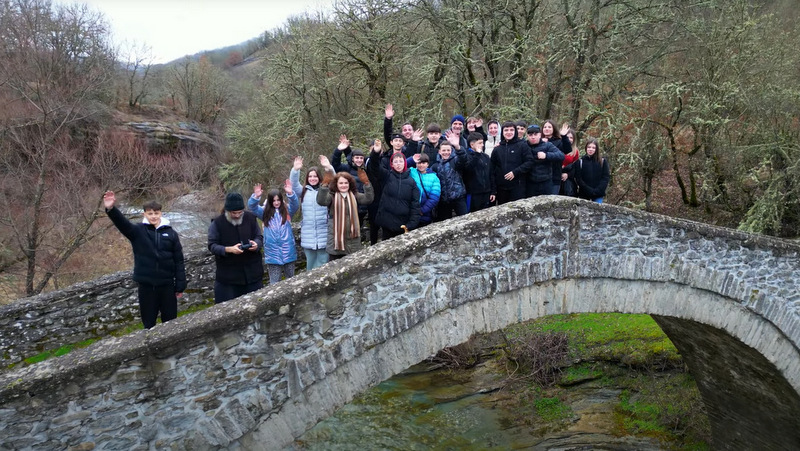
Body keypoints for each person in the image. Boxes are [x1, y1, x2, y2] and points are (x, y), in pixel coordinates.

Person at [103, 191, 186, 329]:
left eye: (156, 213)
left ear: (161, 213)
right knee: (148, 324)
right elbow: (122, 224)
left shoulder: (171, 233)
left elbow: (179, 260)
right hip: (147, 287)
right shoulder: (137, 231)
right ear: (144, 215)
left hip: (167, 285)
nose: (153, 216)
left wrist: (180, 285)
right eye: (150, 213)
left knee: (171, 323)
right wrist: (111, 209)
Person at [208, 192, 264, 304]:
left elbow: (259, 236)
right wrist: (229, 249)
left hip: (252, 275)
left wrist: (256, 244)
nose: (238, 215)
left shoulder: (250, 218)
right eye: (234, 213)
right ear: (227, 211)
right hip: (229, 278)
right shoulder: (217, 223)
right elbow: (212, 245)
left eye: (240, 212)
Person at [317, 154, 374, 259]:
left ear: (350, 184)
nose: (343, 185)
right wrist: (324, 185)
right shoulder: (331, 196)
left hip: (353, 241)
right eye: (341, 183)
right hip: (335, 240)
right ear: (336, 184)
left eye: (346, 183)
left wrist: (366, 183)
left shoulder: (355, 195)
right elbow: (321, 201)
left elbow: (368, 199)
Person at [248, 180, 299, 285]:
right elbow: (252, 207)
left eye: (278, 200)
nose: (276, 202)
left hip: (288, 251)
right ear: (270, 201)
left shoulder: (287, 211)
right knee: (274, 282)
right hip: (272, 253)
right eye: (274, 200)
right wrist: (256, 197)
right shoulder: (264, 213)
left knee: (292, 280)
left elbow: (295, 205)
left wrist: (290, 193)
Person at [369, 142, 421, 239]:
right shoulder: (386, 176)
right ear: (392, 164)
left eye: (400, 161)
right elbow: (374, 166)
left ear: (405, 163)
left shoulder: (411, 182)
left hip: (403, 225)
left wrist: (411, 225)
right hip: (386, 224)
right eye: (395, 161)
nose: (398, 164)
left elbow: (415, 205)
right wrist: (375, 153)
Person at [289, 156, 329, 270]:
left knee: (324, 266)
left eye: (315, 176)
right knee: (310, 267)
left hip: (324, 234)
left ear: (319, 177)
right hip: (308, 236)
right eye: (310, 176)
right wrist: (295, 170)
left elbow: (334, 180)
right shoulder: (303, 191)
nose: (312, 178)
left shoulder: (325, 190)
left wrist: (328, 167)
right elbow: (293, 184)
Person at [491, 121, 533, 205]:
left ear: (515, 132)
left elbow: (530, 162)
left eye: (511, 130)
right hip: (501, 189)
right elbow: (492, 170)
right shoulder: (497, 149)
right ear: (502, 132)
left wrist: (515, 172)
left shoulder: (522, 145)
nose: (509, 132)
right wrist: (493, 190)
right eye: (506, 130)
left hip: (518, 186)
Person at [431, 135, 468, 220]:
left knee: (465, 220)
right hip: (444, 200)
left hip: (458, 197)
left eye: (448, 150)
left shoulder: (455, 161)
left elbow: (463, 159)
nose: (446, 152)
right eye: (444, 150)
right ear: (439, 151)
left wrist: (458, 147)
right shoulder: (435, 166)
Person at [525, 124, 564, 197]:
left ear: (540, 135)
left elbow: (561, 155)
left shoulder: (547, 145)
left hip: (546, 182)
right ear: (527, 136)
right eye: (530, 135)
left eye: (535, 134)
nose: (533, 137)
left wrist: (546, 155)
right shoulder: (524, 145)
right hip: (530, 183)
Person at [462, 132, 495, 212]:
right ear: (472, 144)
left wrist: (493, 191)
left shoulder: (485, 157)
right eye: (479, 143)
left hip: (486, 192)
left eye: (482, 143)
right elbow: (468, 170)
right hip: (473, 194)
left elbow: (491, 174)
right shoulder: (466, 156)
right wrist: (476, 154)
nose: (482, 145)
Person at [407, 153, 440, 227]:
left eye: (423, 163)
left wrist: (422, 210)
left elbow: (434, 197)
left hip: (425, 214)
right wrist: (412, 159)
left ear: (428, 164)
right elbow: (402, 166)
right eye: (419, 163)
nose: (421, 165)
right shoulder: (412, 172)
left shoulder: (434, 177)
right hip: (410, 212)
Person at [541, 120, 572, 194]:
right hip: (540, 177)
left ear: (553, 129)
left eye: (549, 127)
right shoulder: (538, 141)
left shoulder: (559, 141)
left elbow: (567, 150)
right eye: (545, 127)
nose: (547, 129)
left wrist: (564, 136)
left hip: (554, 177)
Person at [576, 138, 611, 203]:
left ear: (596, 149)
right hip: (584, 194)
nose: (591, 149)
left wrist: (597, 190)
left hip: (598, 194)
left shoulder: (602, 161)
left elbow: (605, 178)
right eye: (589, 147)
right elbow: (579, 179)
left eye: (593, 148)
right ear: (586, 148)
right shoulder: (580, 161)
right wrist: (589, 190)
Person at [560, 127, 580, 197]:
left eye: (571, 138)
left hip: (568, 178)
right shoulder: (558, 147)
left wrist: (568, 175)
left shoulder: (575, 151)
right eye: (567, 137)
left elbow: (575, 167)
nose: (569, 139)